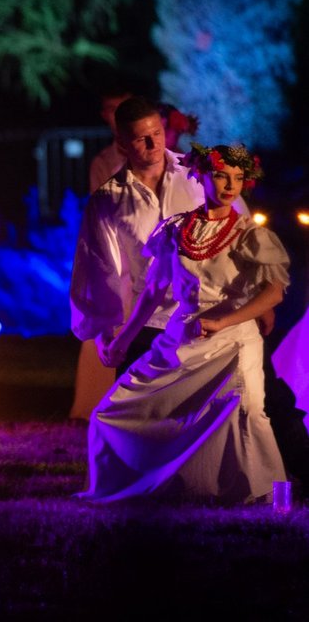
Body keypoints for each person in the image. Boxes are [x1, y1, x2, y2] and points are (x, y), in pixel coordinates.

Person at [79, 143, 288, 503]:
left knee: (248, 409)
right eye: (221, 175)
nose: (229, 185)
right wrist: (123, 339)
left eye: (238, 179)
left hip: (235, 338)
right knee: (114, 412)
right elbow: (153, 290)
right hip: (183, 334)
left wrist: (225, 320)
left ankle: (259, 493)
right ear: (199, 175)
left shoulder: (250, 234)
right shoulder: (176, 230)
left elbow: (274, 293)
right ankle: (170, 486)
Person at [69, 99, 201, 419]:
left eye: (157, 132)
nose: (155, 143)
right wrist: (105, 330)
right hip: (149, 323)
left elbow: (240, 230)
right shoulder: (109, 199)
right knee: (137, 421)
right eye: (142, 138)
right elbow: (102, 267)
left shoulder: (198, 175)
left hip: (205, 317)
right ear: (123, 144)